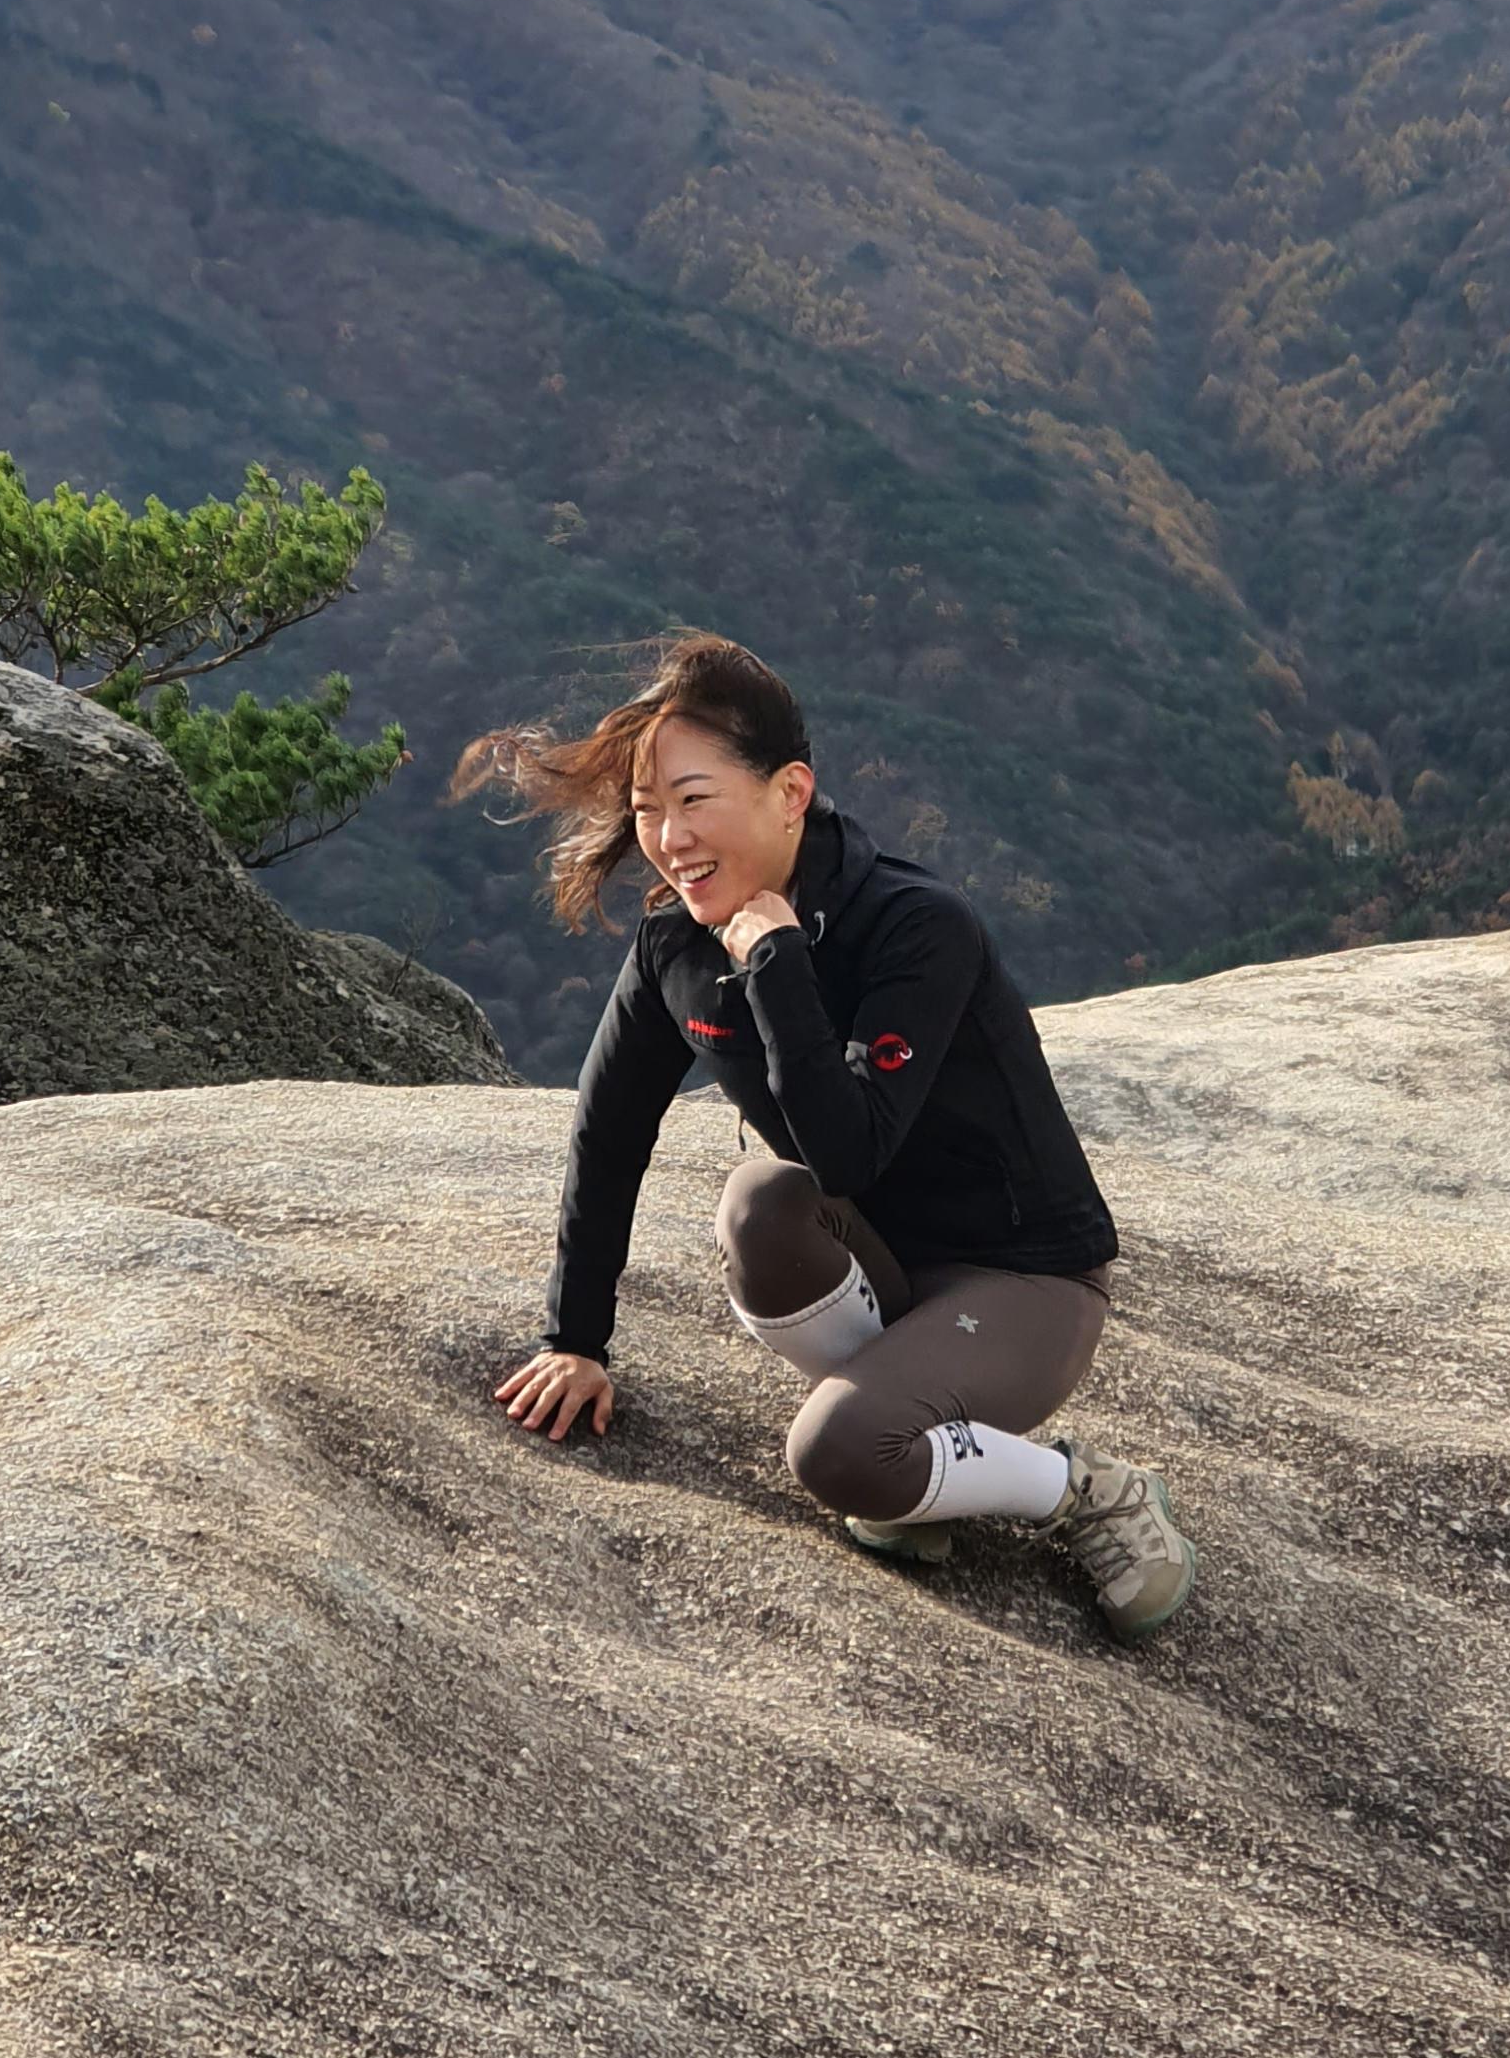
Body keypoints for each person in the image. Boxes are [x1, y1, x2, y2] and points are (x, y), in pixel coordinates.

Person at [456, 630, 1194, 1639]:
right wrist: (575, 1341)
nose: (669, 838)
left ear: (790, 793)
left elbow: (850, 1152)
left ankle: (1085, 1490)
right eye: (648, 810)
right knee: (759, 1205)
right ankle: (910, 1437)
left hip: (1023, 1279)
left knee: (836, 1455)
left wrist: (776, 963)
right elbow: (608, 1135)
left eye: (695, 799)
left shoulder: (916, 926)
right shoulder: (676, 944)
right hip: (879, 1264)